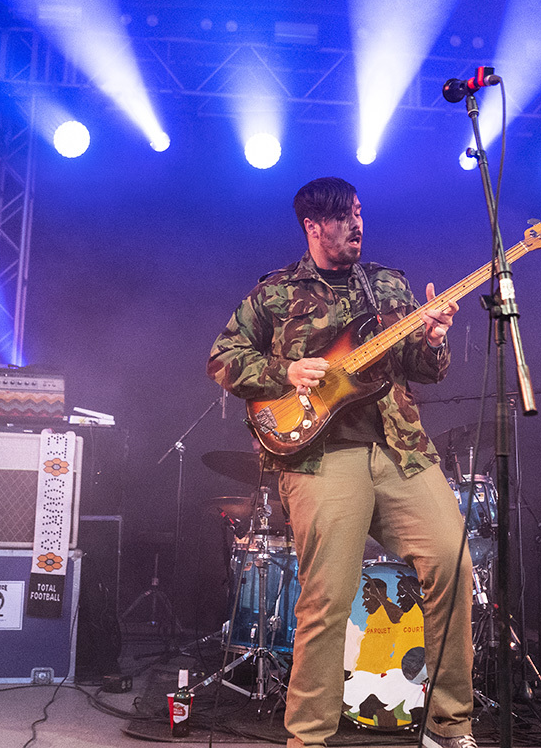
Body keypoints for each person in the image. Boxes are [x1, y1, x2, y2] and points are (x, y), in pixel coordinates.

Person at [208, 176, 476, 748]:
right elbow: (223, 357)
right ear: (312, 226)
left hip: (402, 450)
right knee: (326, 600)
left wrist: (433, 338)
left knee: (454, 567)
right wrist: (284, 371)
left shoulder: (388, 285)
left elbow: (426, 370)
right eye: (342, 217)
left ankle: (450, 728)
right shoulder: (275, 292)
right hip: (321, 457)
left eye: (358, 212)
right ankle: (308, 739)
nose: (356, 224)